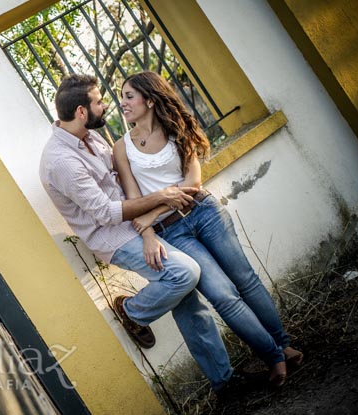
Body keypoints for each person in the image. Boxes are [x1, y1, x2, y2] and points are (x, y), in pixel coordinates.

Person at [39, 74, 237, 392]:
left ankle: (224, 381)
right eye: (99, 101)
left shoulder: (91, 137)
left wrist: (148, 224)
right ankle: (132, 311)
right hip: (113, 238)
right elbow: (106, 213)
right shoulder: (60, 161)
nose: (107, 105)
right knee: (184, 274)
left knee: (185, 297)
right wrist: (162, 196)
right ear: (80, 111)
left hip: (138, 225)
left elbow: (120, 181)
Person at [112, 71, 304, 387]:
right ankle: (274, 357)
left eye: (129, 95)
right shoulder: (122, 147)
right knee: (223, 295)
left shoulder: (177, 128)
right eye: (122, 96)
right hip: (172, 232)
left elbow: (193, 183)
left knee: (246, 280)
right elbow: (134, 199)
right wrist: (147, 232)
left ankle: (283, 344)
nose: (123, 103)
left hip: (204, 211)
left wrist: (154, 213)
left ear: (149, 98)